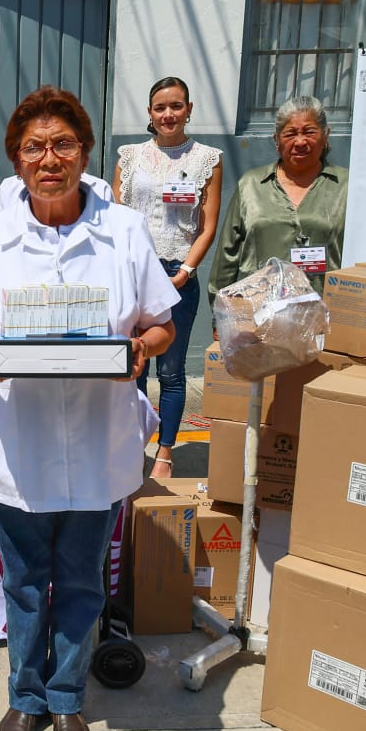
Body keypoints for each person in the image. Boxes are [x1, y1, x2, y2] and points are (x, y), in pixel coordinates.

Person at [0, 86, 179, 731]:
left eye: (63, 144)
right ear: (17, 161)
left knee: (80, 581)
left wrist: (141, 349)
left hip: (100, 441)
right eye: (35, 148)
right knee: (22, 582)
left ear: (85, 152)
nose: (50, 159)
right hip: (16, 442)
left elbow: (160, 325)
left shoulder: (124, 232)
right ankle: (25, 695)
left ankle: (68, 698)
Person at [114, 76, 223, 479]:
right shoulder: (130, 156)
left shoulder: (207, 158)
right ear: (150, 113)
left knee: (172, 370)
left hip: (179, 273)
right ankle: (133, 445)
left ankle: (165, 451)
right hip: (134, 274)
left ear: (189, 109)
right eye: (160, 108)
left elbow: (207, 225)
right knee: (134, 365)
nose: (168, 115)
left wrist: (185, 272)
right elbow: (115, 216)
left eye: (176, 106)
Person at [208, 95, 348, 302]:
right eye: (290, 134)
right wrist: (219, 314)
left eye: (309, 132)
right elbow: (228, 254)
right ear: (277, 140)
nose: (300, 141)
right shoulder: (251, 185)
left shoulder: (347, 186)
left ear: (325, 135)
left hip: (325, 313)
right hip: (258, 313)